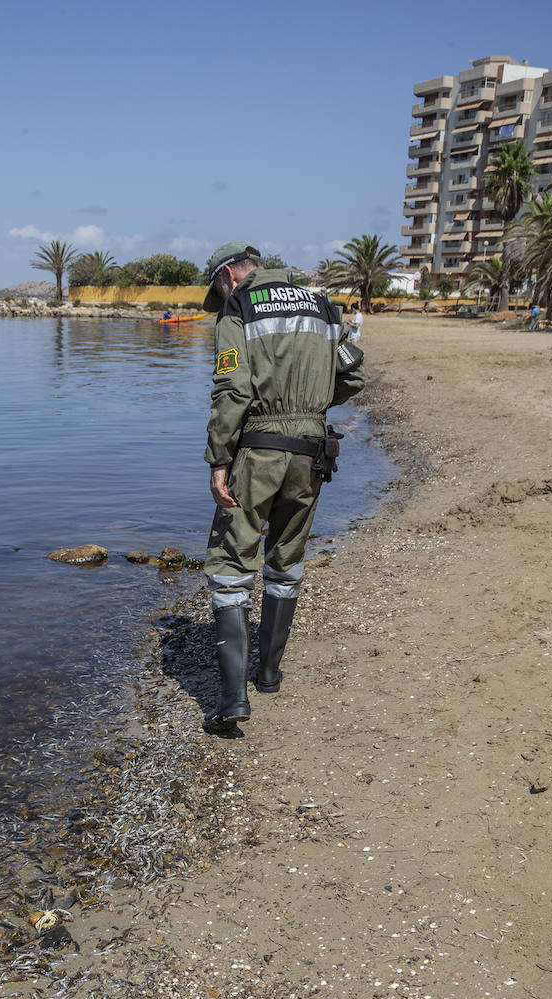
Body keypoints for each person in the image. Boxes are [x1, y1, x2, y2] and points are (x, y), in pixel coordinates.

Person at [201, 241, 366, 733]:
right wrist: (311, 407)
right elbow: (353, 375)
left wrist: (219, 459)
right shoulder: (321, 304)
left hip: (259, 450)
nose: (219, 296)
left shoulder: (239, 307)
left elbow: (233, 389)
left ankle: (233, 699)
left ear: (228, 275)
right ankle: (269, 674)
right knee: (286, 558)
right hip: (312, 451)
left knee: (231, 565)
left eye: (217, 288)